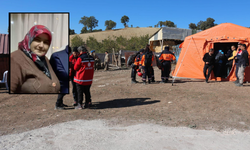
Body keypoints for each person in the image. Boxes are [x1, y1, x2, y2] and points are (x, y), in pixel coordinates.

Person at [10, 25, 60, 93]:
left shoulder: (45, 60)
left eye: (46, 42)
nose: (41, 45)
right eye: (37, 40)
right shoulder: (15, 58)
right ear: (29, 39)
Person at [50, 45, 70, 110]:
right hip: (59, 75)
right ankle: (57, 104)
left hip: (59, 74)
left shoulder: (59, 55)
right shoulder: (62, 56)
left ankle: (60, 103)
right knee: (63, 90)